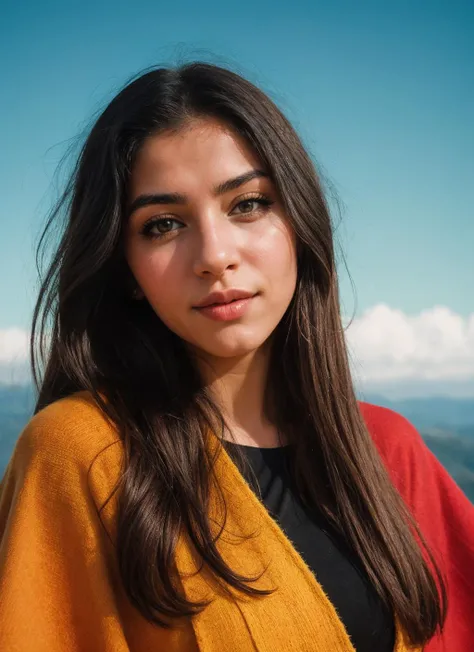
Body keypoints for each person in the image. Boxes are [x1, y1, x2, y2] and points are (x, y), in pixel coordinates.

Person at [0, 62, 473, 652]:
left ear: (298, 224)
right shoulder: (80, 455)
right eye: (163, 224)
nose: (215, 255)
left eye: (247, 204)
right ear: (125, 269)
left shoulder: (385, 450)